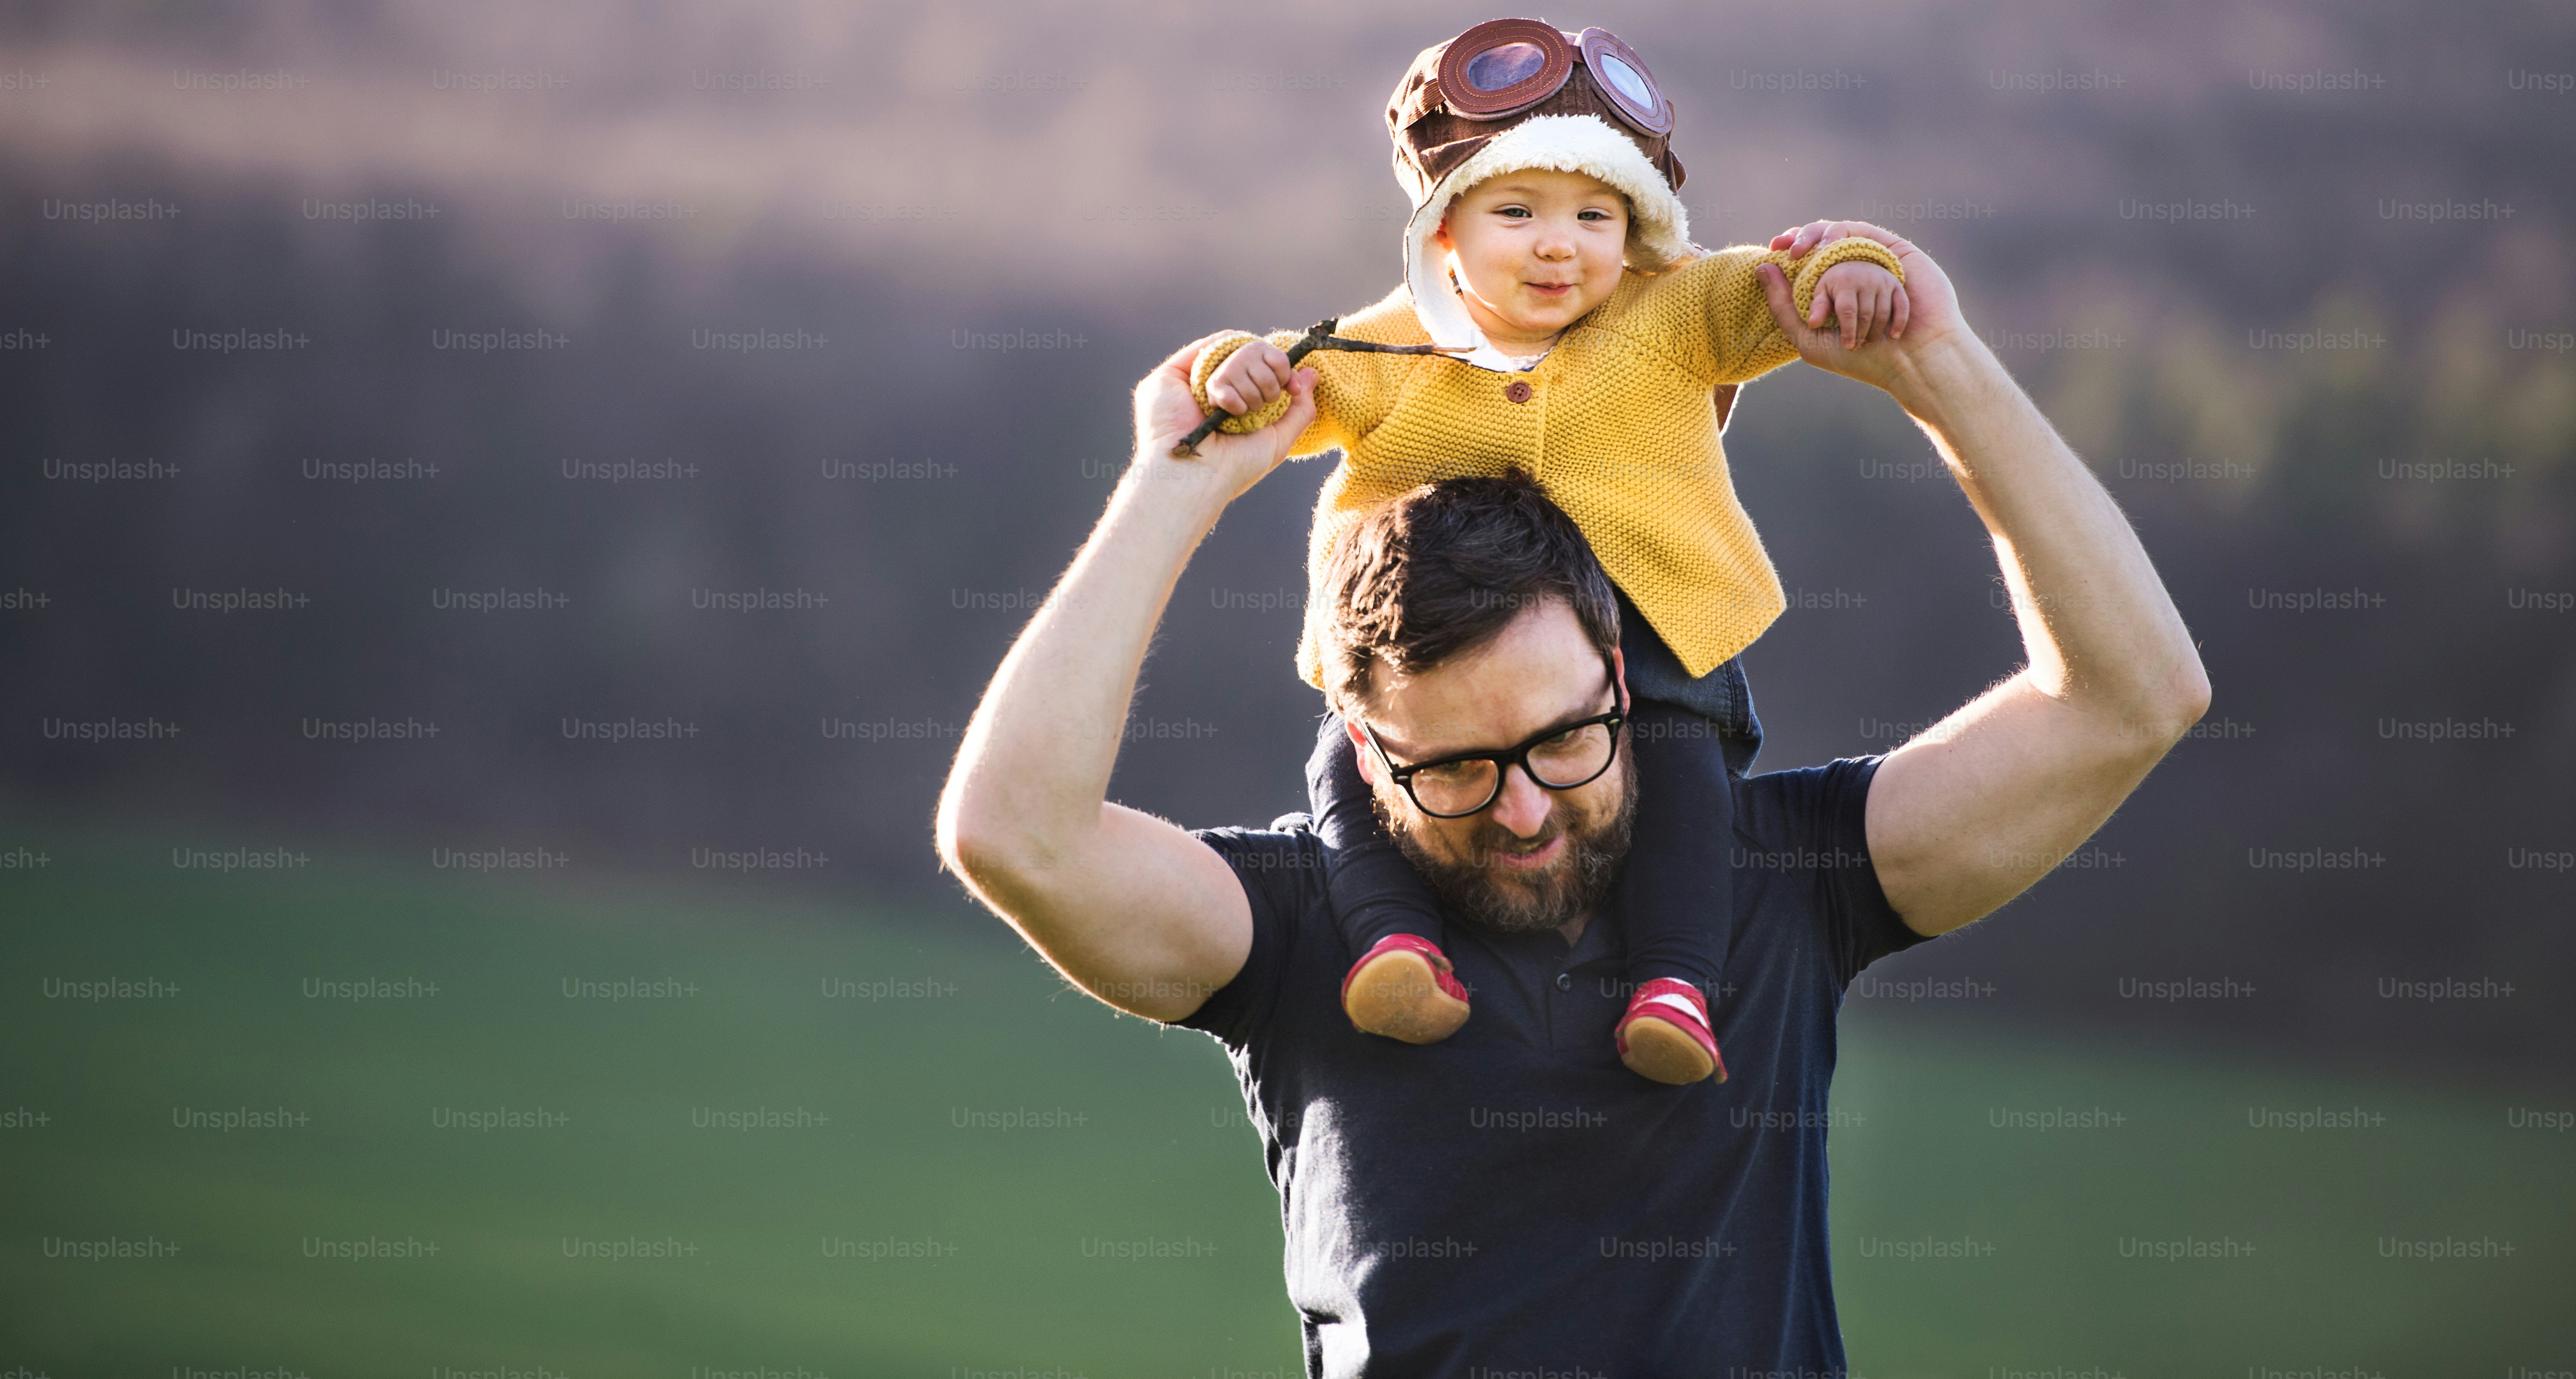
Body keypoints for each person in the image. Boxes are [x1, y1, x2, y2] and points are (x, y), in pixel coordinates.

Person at [935, 221, 2210, 1374]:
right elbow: (1014, 835)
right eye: (1452, 770)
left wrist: (1940, 373)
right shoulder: (1294, 931)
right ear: (1363, 746)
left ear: (1617, 674)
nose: (1525, 810)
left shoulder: (1783, 881)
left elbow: (2134, 698)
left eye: (1563, 742)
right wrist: (1176, 486)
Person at [1187, 16, 1909, 1084]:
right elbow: (1292, 381)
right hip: (1433, 643)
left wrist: (1850, 265)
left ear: (1638, 229)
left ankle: (1676, 983)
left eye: (1595, 214)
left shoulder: (1673, 309)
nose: (1558, 243)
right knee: (1356, 757)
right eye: (1515, 212)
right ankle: (1394, 942)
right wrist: (1228, 369)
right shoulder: (1398, 338)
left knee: (1684, 772)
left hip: (1654, 618)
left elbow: (1778, 285)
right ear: (1445, 234)